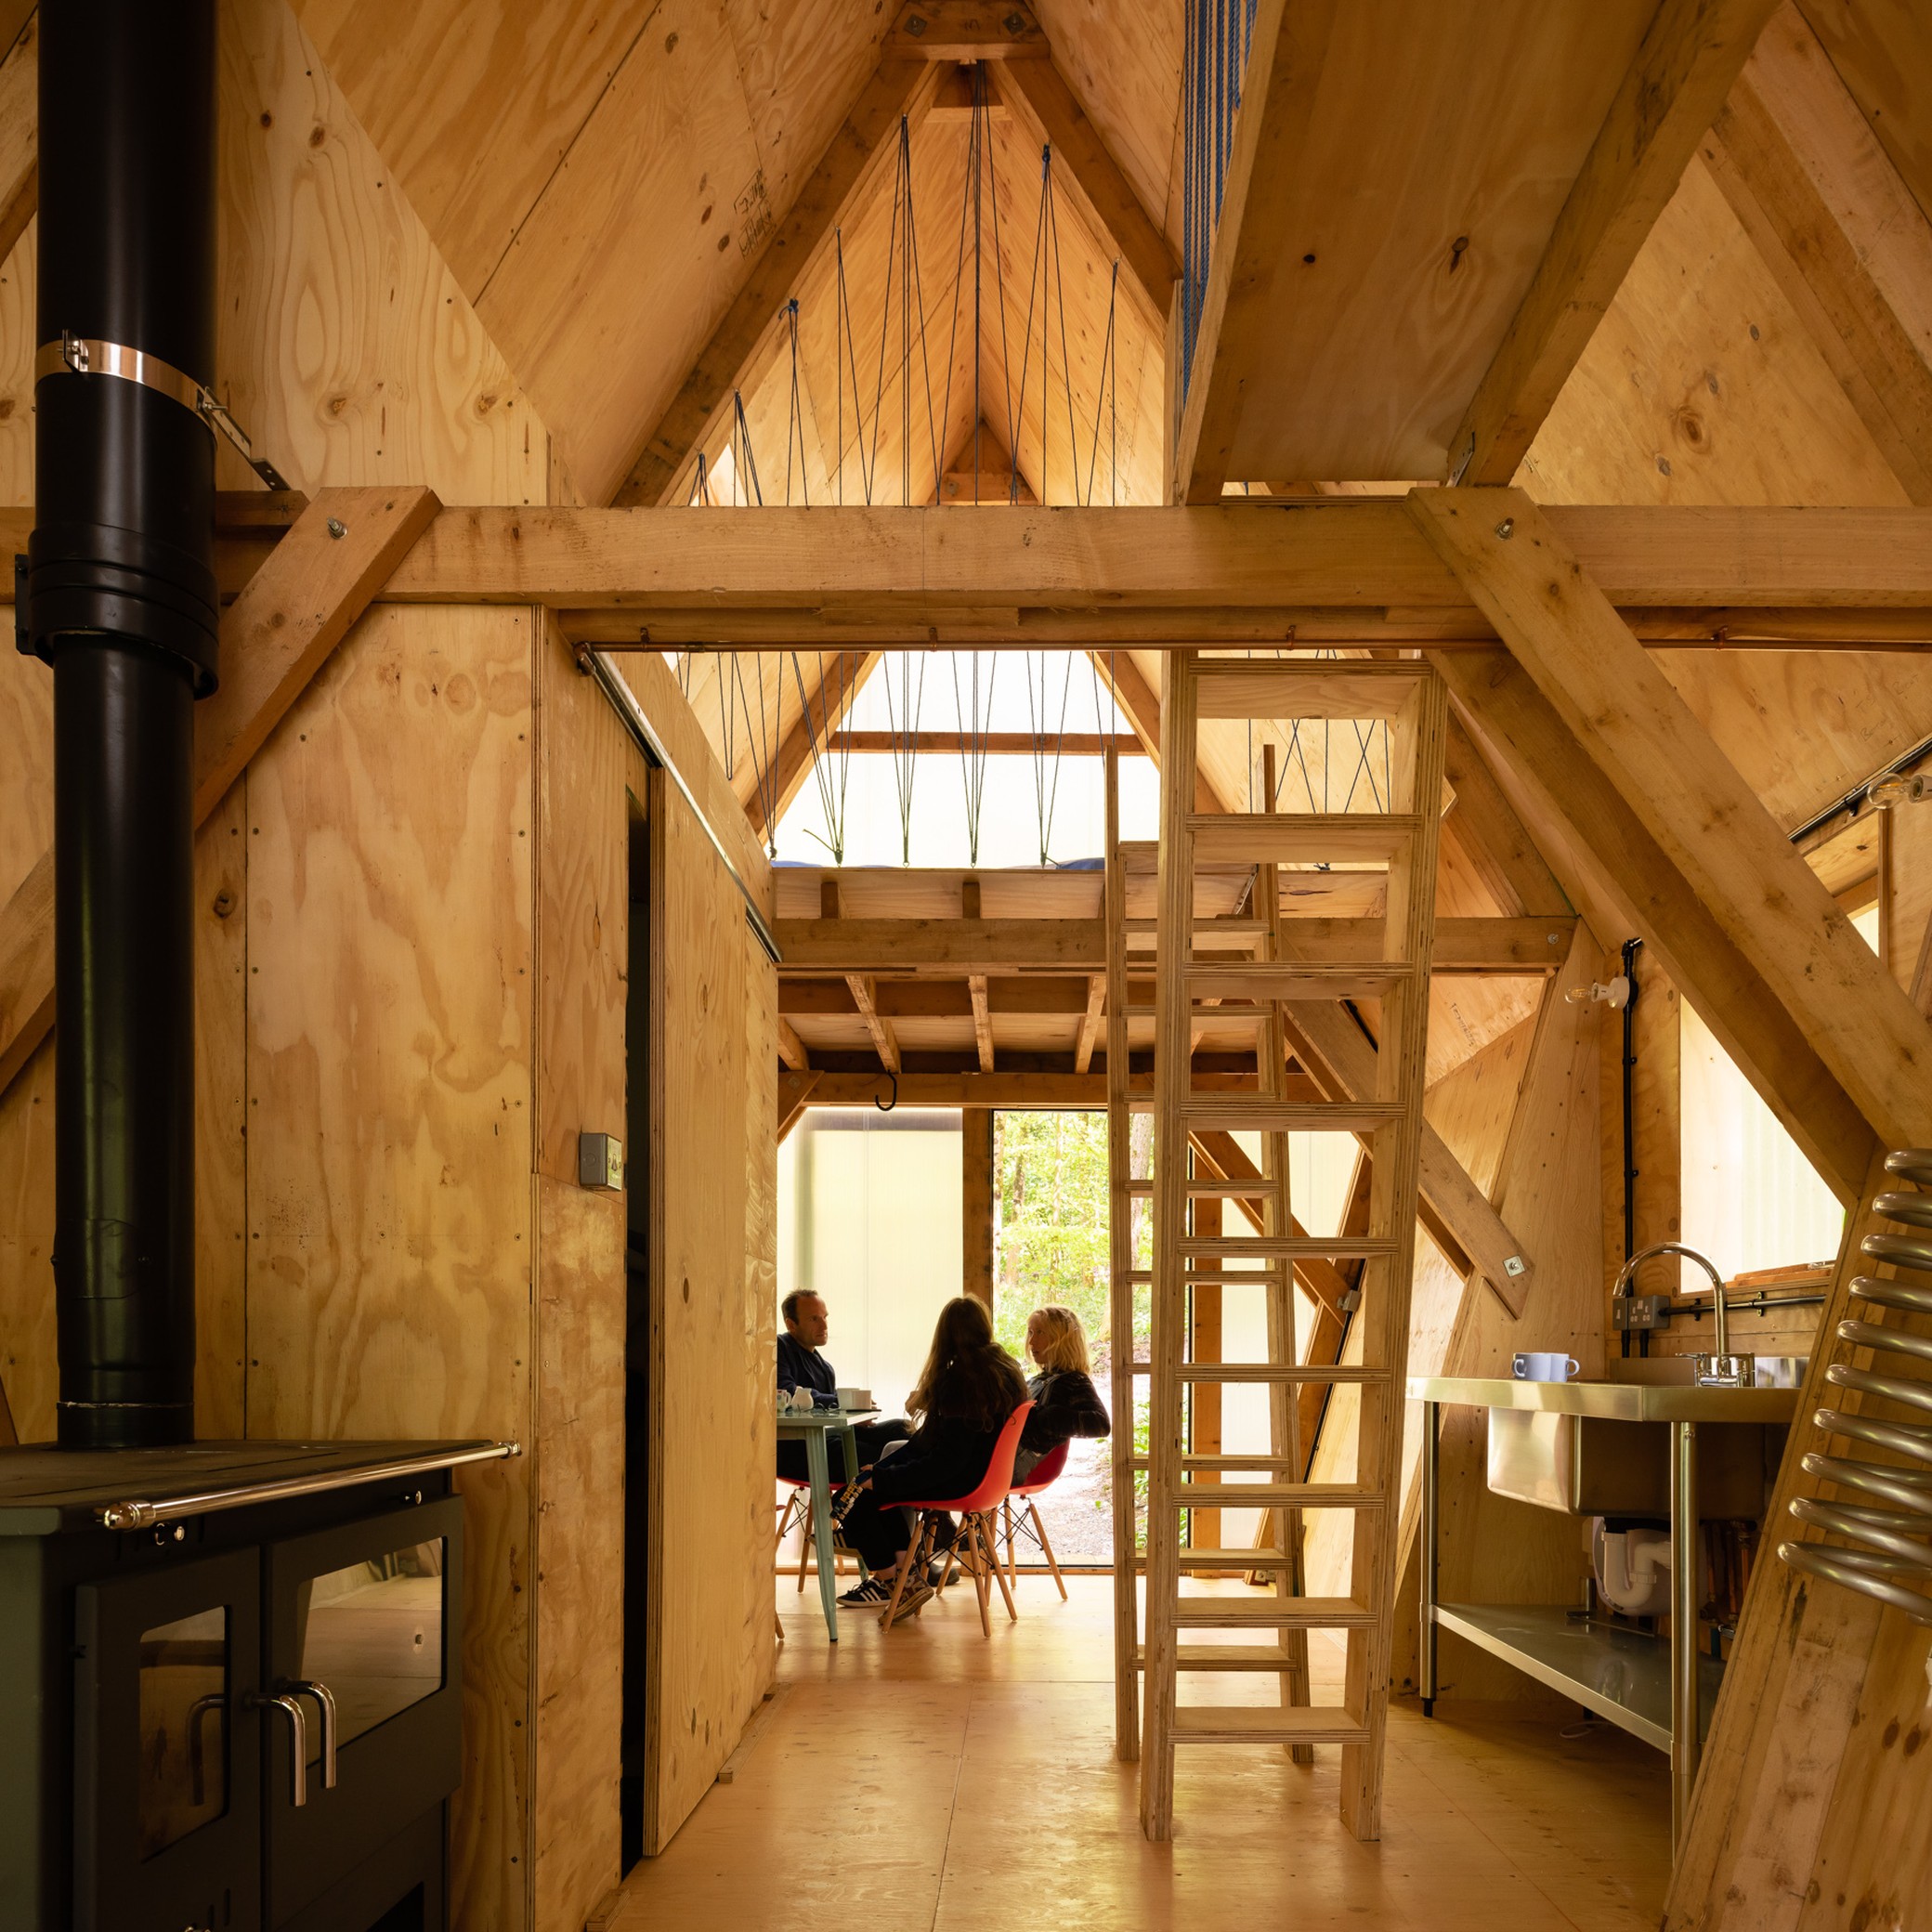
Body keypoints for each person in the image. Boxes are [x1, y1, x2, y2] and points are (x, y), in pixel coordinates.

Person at [834, 1296, 1029, 1620]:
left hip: (961, 1479)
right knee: (866, 1492)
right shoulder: (1005, 1370)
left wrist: (884, 1478)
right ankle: (904, 1577)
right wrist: (881, 1471)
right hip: (987, 1479)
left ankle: (895, 1584)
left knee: (852, 1499)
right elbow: (931, 1442)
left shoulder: (960, 1380)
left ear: (945, 1336)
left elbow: (945, 1462)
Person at [775, 1288, 904, 1483]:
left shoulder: (825, 1368)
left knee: (902, 1429)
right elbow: (788, 1391)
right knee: (885, 1454)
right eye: (814, 1319)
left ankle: (925, 1497)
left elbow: (830, 1414)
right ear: (791, 1324)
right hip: (798, 1450)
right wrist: (843, 1403)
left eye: (825, 1317)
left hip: (826, 1437)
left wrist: (853, 1413)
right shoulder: (779, 1347)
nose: (824, 1325)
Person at [1012, 1303, 1110, 1482]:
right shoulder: (1037, 1380)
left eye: (1040, 1332)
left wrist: (1047, 1417)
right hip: (1006, 1456)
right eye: (1031, 1332)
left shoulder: (1075, 1381)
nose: (1032, 1341)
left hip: (1018, 1462)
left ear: (1062, 1340)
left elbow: (1101, 1424)